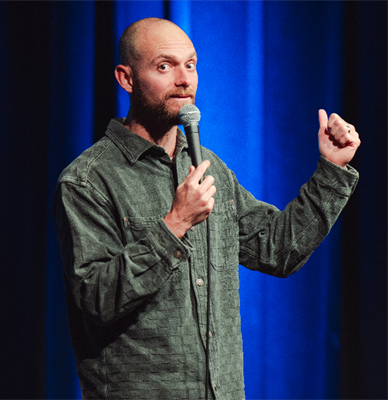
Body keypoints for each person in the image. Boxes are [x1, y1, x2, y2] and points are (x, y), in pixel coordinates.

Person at [53, 17, 360, 400]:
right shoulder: (87, 181)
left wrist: (332, 169)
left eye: (191, 65)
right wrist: (174, 225)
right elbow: (96, 299)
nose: (184, 80)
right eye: (164, 66)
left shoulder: (208, 168)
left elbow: (278, 249)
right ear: (126, 78)